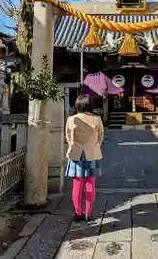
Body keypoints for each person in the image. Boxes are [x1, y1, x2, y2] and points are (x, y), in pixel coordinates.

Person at [64, 94, 104, 222]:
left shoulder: (71, 119)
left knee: (77, 185)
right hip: (92, 153)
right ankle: (88, 213)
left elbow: (68, 137)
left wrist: (73, 146)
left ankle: (78, 213)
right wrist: (93, 146)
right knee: (90, 184)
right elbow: (100, 137)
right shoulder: (97, 119)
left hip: (76, 154)